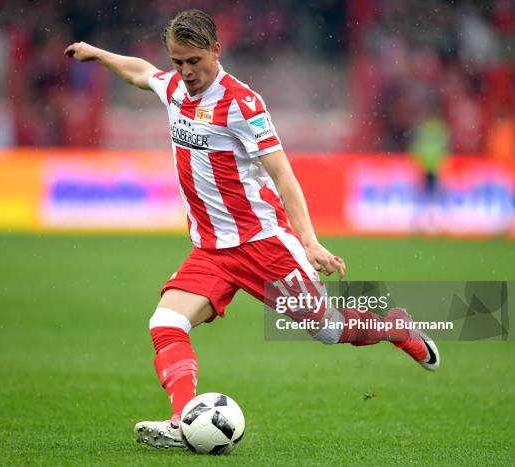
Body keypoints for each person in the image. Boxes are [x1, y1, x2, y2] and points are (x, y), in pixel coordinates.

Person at [65, 9, 439, 450]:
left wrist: (309, 241)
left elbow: (282, 175)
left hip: (263, 246)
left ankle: (396, 329)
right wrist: (96, 53)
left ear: (215, 52)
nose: (185, 73)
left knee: (328, 329)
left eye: (194, 62)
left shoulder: (242, 104)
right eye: (178, 62)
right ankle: (182, 420)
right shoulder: (175, 88)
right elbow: (141, 73)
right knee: (165, 321)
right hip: (211, 250)